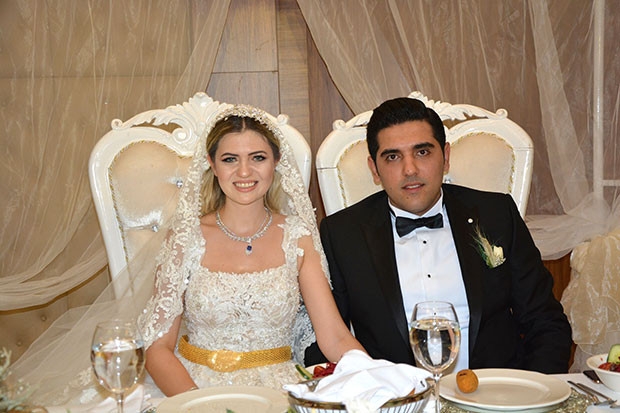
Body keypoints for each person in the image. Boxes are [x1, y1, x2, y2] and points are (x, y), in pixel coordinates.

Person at [305, 97, 572, 374]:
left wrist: (536, 390)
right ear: (374, 169)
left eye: (422, 152)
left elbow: (545, 322)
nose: (410, 169)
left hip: (493, 391)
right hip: (396, 396)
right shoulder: (343, 234)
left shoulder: (496, 215)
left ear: (445, 157)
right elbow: (326, 336)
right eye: (393, 157)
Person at [139, 104, 365, 396]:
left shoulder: (298, 237)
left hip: (278, 390)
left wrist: (381, 379)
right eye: (230, 159)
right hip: (193, 388)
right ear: (212, 165)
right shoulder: (185, 238)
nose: (244, 171)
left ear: (276, 162)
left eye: (258, 157)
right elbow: (157, 348)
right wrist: (199, 405)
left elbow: (334, 337)